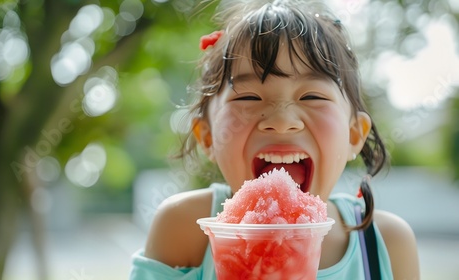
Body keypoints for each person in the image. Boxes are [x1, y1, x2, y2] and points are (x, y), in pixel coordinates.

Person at [129, 0, 420, 279]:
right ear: (206, 136)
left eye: (312, 96)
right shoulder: (184, 229)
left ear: (354, 135)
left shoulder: (386, 244)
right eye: (248, 97)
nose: (281, 122)